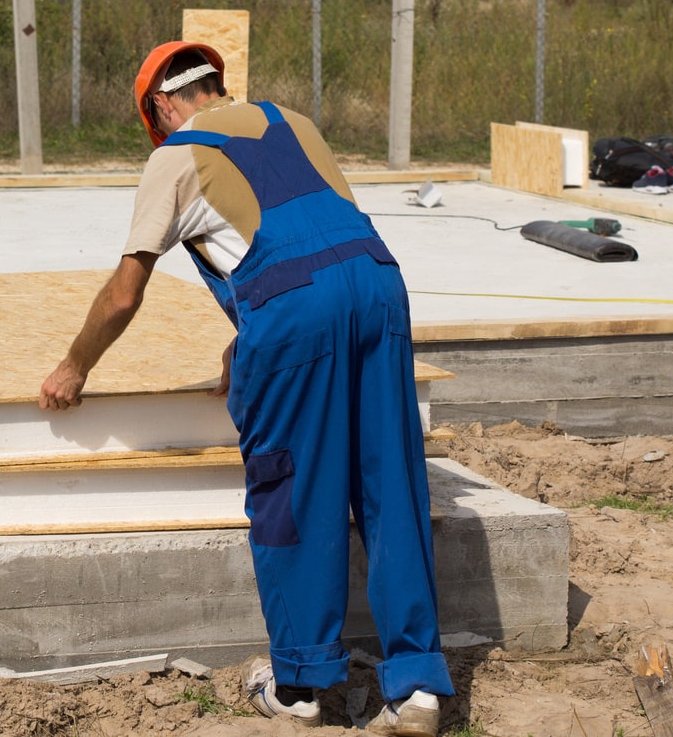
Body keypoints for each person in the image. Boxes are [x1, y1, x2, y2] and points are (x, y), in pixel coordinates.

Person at [39, 42, 452, 735]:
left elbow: (123, 294)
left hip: (299, 316)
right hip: (380, 288)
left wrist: (74, 366)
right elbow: (312, 237)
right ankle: (416, 689)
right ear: (215, 86)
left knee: (295, 493)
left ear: (161, 107)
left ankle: (300, 685)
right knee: (391, 485)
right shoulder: (291, 120)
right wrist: (248, 333)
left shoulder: (174, 157)